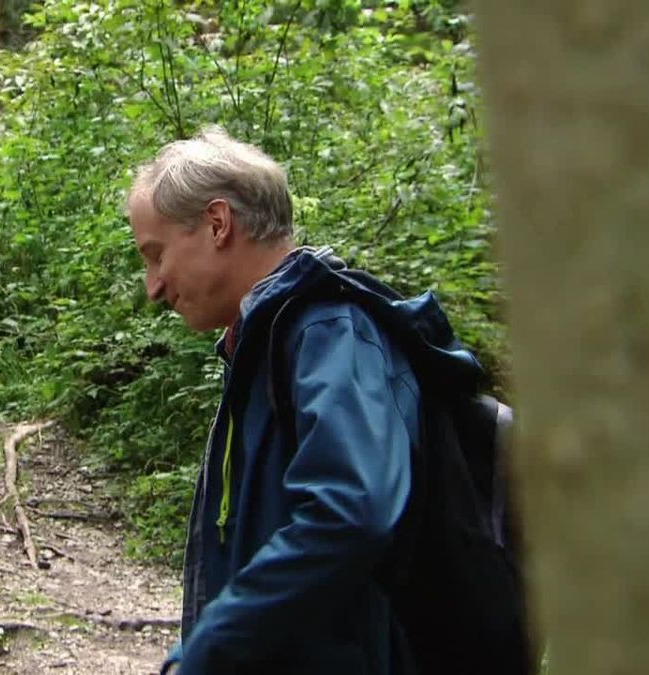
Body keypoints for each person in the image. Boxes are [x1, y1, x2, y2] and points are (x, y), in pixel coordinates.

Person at [127, 128, 482, 674]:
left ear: (218, 224)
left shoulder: (330, 333)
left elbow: (349, 511)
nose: (153, 286)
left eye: (156, 255)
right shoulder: (264, 343)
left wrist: (208, 650)